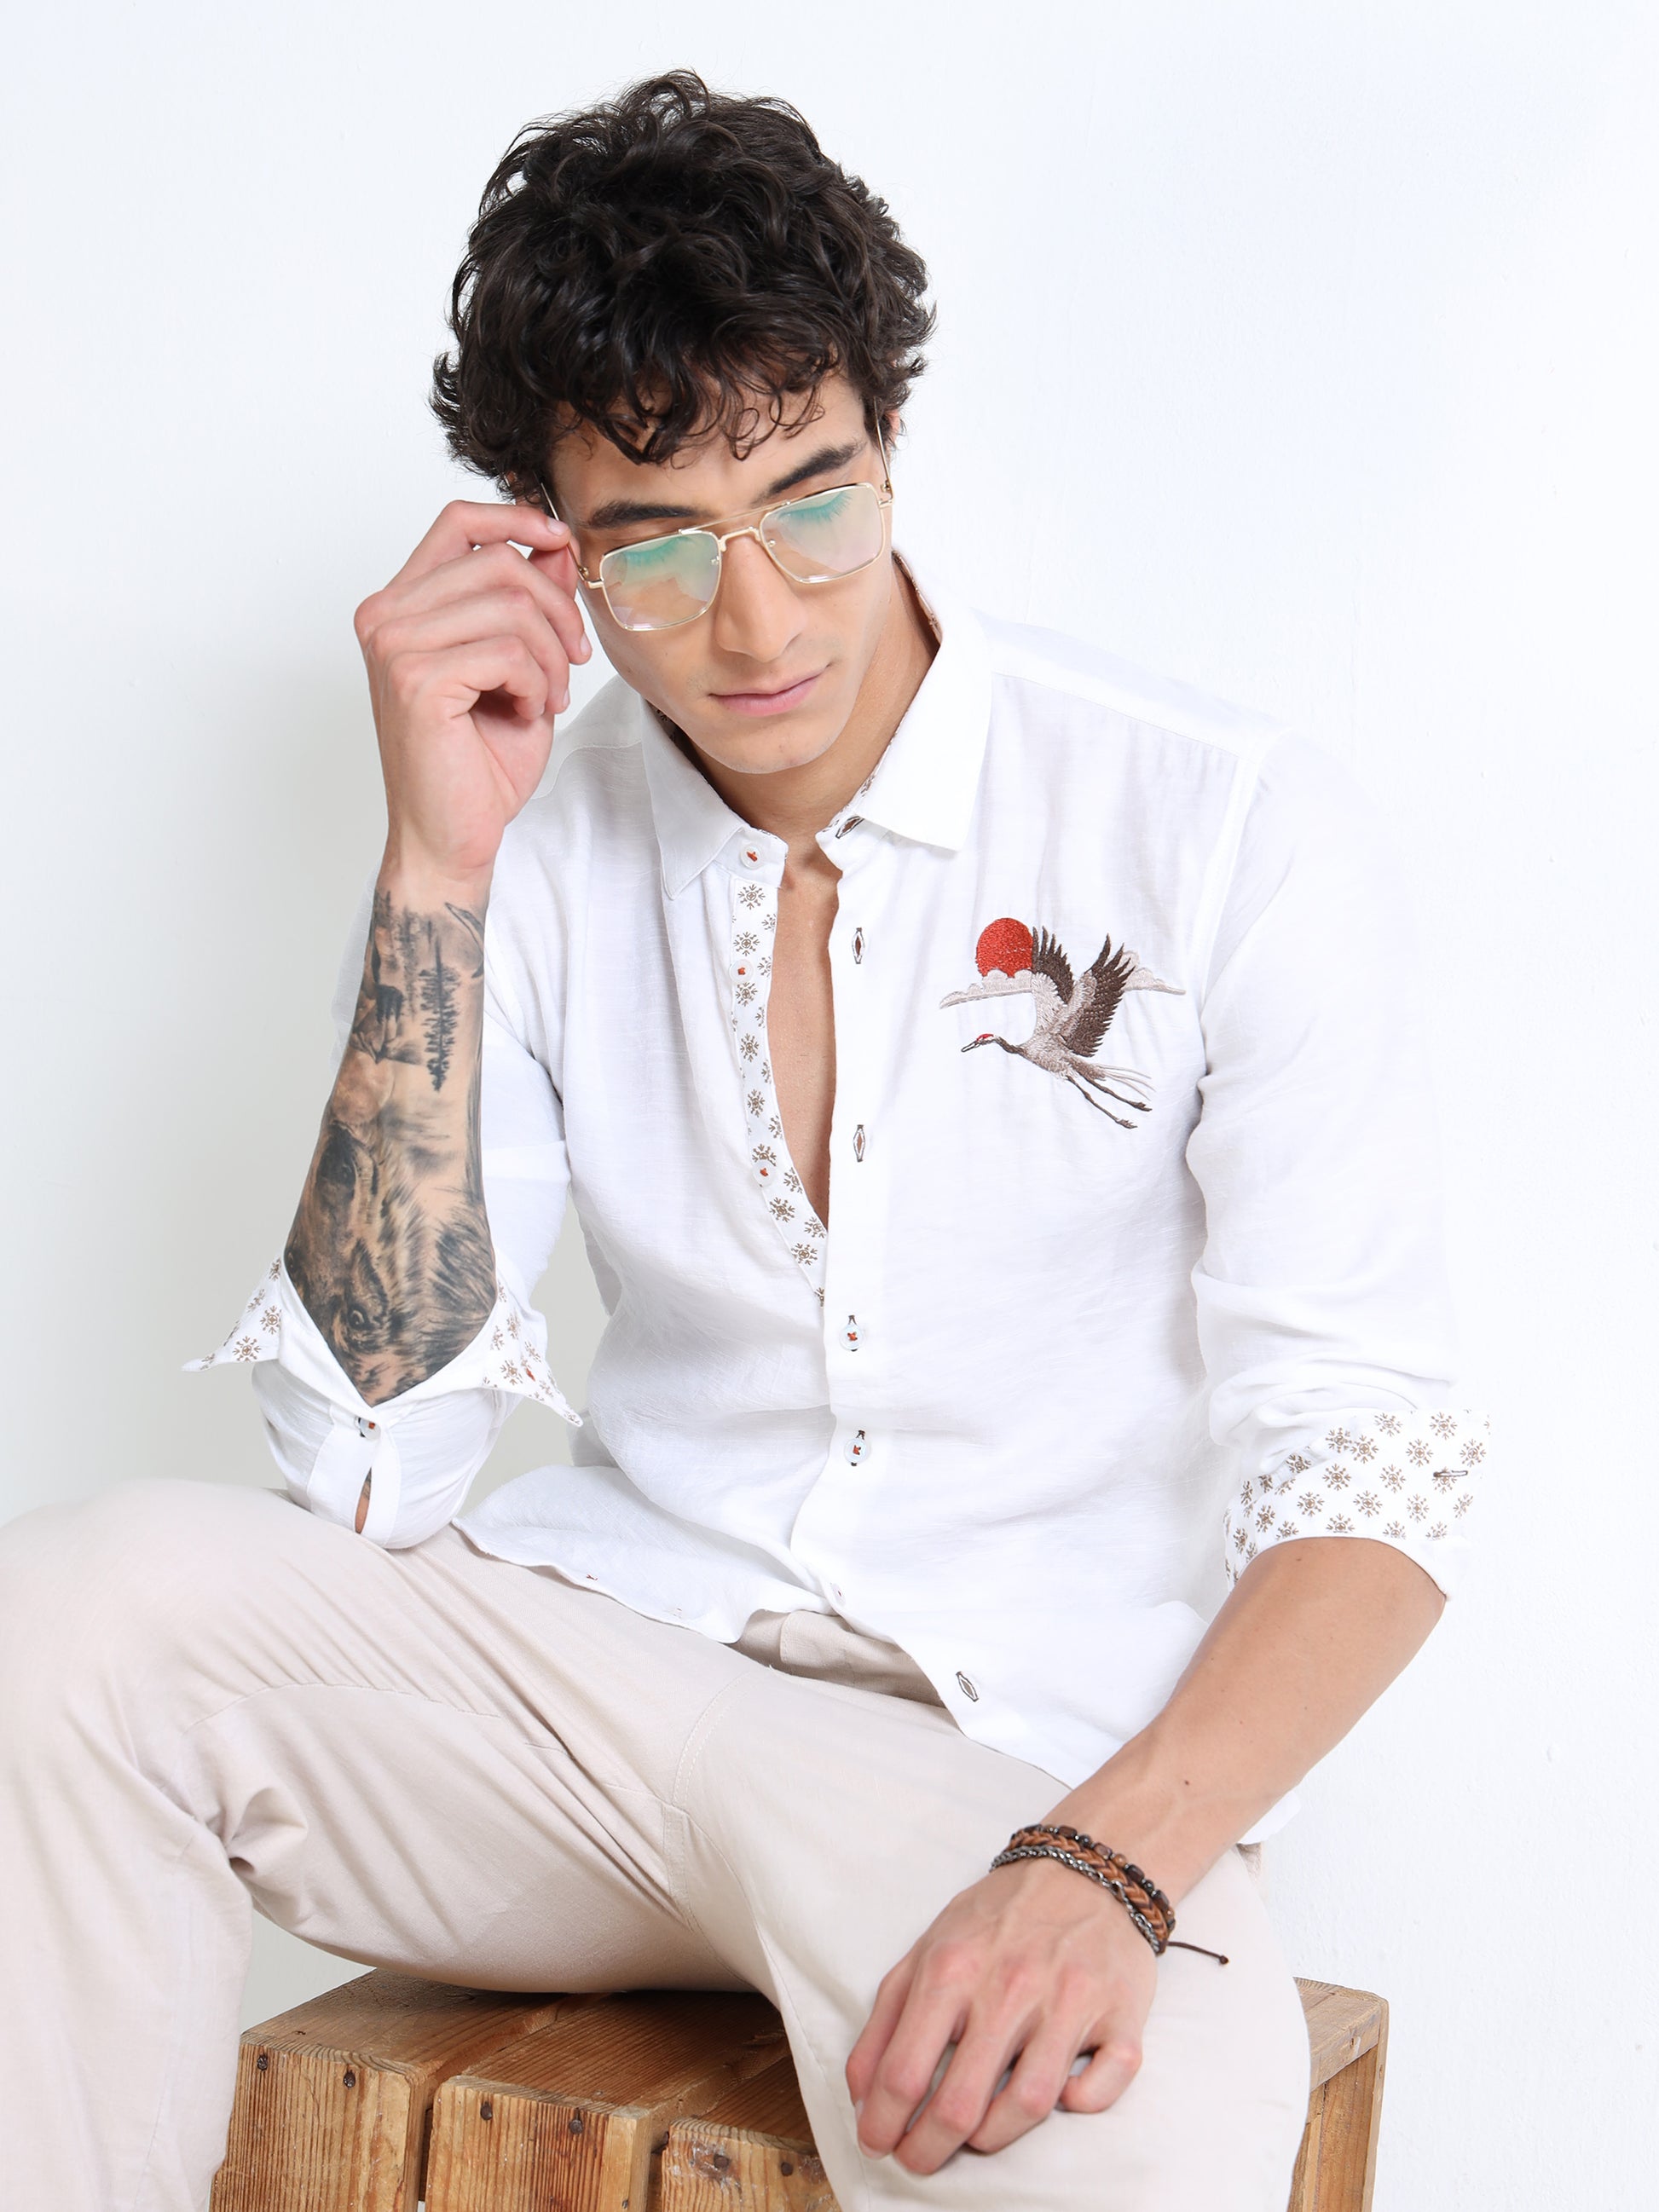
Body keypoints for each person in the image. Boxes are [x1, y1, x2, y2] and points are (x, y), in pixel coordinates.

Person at [0, 71, 1486, 2212]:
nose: (763, 620)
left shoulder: (1221, 821)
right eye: (658, 544)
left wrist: (1107, 1852)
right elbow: (361, 1477)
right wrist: (436, 862)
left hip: (1012, 1763)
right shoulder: (519, 837)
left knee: (1128, 2156)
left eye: (811, 496)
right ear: (547, 534)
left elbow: (1367, 1468)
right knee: (66, 1613)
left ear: (892, 434)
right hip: (606, 1693)